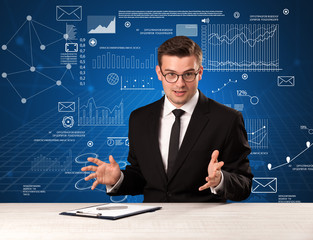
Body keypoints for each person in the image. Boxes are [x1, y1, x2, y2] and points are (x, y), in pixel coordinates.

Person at [82, 36, 253, 202]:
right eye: (171, 74)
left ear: (200, 72)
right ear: (159, 73)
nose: (179, 84)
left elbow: (244, 185)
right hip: (152, 223)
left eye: (188, 74)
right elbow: (141, 178)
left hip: (202, 224)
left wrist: (220, 180)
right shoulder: (139, 119)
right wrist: (119, 178)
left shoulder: (227, 120)